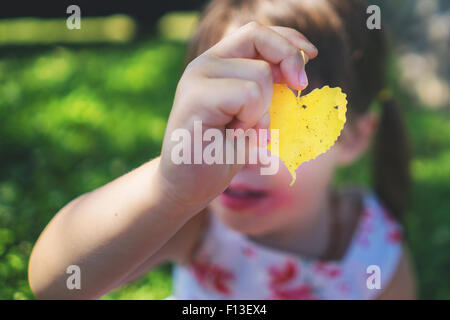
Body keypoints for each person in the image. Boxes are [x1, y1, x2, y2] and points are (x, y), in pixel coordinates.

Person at [28, 0, 416, 299]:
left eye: (279, 126)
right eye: (225, 118)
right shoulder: (193, 223)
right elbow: (56, 286)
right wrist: (169, 189)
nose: (244, 153)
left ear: (352, 139)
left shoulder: (372, 250)